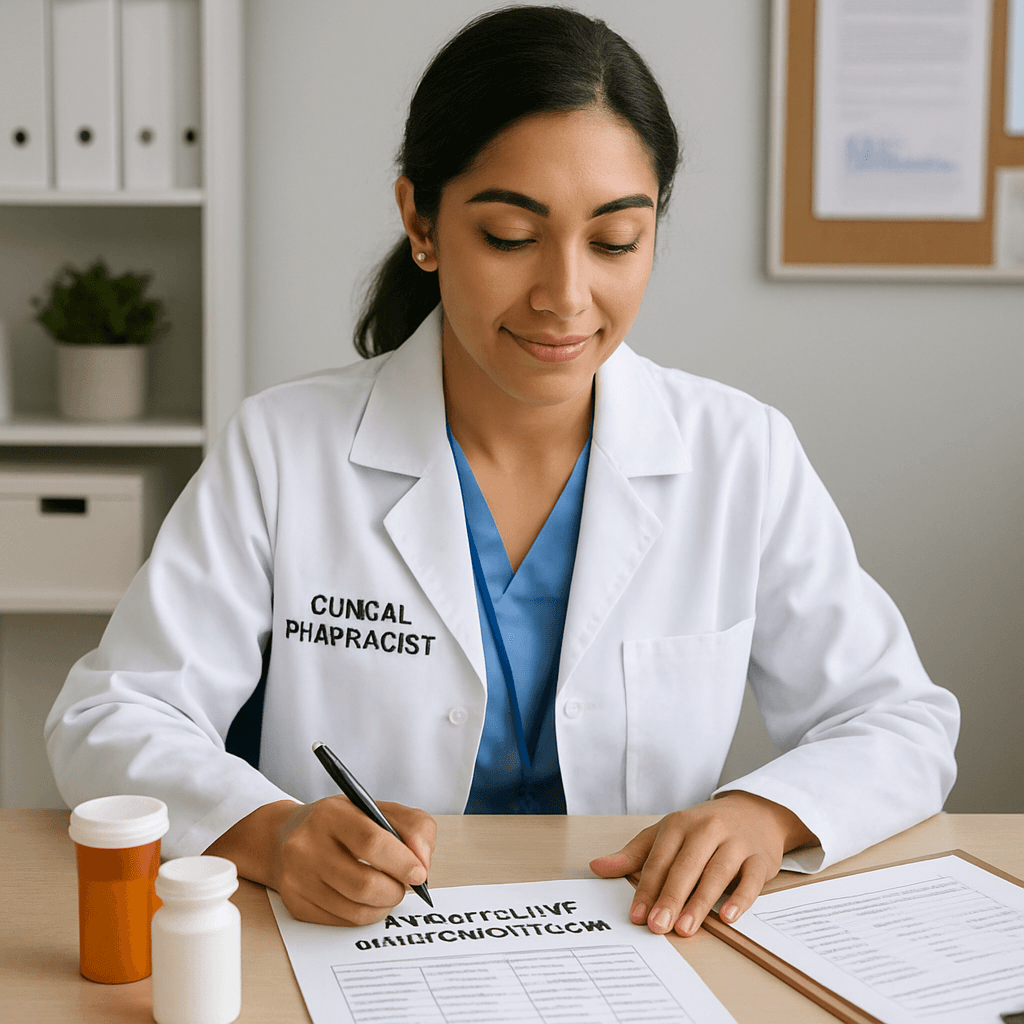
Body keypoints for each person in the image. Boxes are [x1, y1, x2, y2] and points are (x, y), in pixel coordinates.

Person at [45, 6, 958, 939]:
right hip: (355, 947)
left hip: (645, 952)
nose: (566, 297)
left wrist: (766, 814)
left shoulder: (739, 454)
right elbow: (111, 716)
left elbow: (900, 724)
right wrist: (273, 835)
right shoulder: (283, 448)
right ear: (422, 222)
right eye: (511, 237)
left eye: (613, 242)